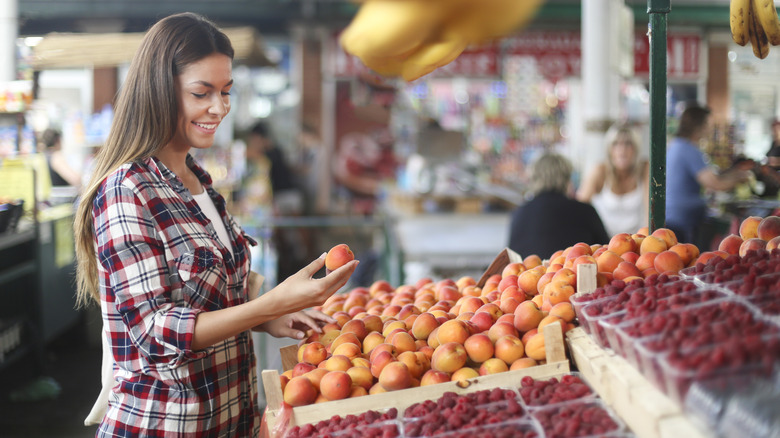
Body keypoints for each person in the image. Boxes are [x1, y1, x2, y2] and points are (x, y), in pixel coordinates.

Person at [72, 13, 358, 437]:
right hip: (163, 425)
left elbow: (215, 298)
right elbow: (155, 333)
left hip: (229, 419)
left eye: (226, 92)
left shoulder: (200, 183)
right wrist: (271, 304)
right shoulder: (127, 190)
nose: (219, 108)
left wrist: (272, 318)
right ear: (158, 90)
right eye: (201, 92)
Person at [665, 104, 752, 245]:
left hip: (674, 216)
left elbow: (712, 176)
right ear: (697, 125)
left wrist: (735, 174)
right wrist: (741, 177)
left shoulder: (677, 145)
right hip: (682, 220)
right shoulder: (689, 149)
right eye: (707, 124)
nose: (710, 129)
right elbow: (715, 183)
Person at [508, 152, 609, 260]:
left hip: (527, 275)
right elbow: (607, 253)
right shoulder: (585, 211)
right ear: (566, 179)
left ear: (534, 179)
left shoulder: (519, 214)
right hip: (571, 275)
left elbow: (510, 258)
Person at [576, 123, 649, 237]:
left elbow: (651, 212)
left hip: (637, 243)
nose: (622, 150)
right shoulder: (600, 171)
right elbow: (579, 209)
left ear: (636, 148)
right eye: (615, 144)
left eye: (628, 144)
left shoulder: (644, 169)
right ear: (609, 150)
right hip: (604, 245)